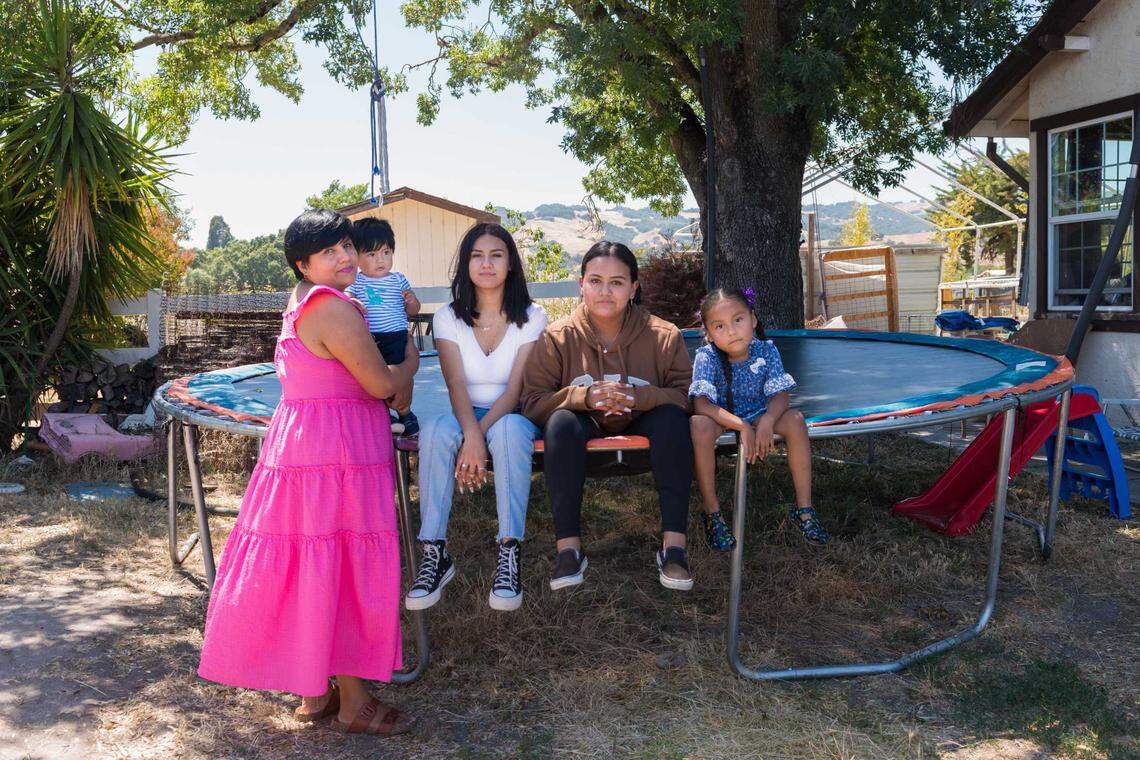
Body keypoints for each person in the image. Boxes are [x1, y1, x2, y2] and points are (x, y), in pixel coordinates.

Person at [198, 209, 418, 736]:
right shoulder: (332, 308)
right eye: (329, 252)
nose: (345, 257)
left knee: (313, 559)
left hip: (303, 443)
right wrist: (408, 362)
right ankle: (355, 703)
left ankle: (315, 688)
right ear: (303, 263)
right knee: (337, 562)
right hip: (335, 452)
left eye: (347, 245)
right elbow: (381, 384)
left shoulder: (300, 299)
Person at [521, 241, 695, 591]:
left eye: (616, 282)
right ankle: (568, 549)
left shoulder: (664, 334)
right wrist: (584, 397)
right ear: (581, 285)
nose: (605, 291)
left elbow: (687, 396)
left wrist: (639, 396)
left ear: (633, 288)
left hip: (644, 427)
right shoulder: (556, 337)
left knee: (673, 420)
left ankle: (674, 547)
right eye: (596, 281)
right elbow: (532, 402)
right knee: (560, 422)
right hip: (584, 429)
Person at [405, 223, 547, 612]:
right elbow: (455, 384)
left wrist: (476, 438)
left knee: (512, 431)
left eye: (496, 255)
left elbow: (516, 391)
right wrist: (470, 431)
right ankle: (435, 551)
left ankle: (509, 550)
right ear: (466, 264)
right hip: (464, 411)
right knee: (434, 430)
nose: (486, 264)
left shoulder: (532, 316)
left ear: (511, 264)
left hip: (509, 413)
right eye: (477, 255)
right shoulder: (449, 318)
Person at [688, 288, 830, 548]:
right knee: (698, 425)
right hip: (723, 417)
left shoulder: (766, 350)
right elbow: (701, 405)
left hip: (761, 412)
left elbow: (780, 395)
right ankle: (712, 514)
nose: (731, 331)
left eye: (738, 320)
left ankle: (805, 511)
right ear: (708, 333)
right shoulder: (706, 357)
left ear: (752, 319)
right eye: (719, 326)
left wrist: (766, 420)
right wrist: (741, 426)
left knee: (796, 420)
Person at [346, 217, 422, 435]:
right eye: (371, 254)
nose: (380, 259)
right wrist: (354, 302)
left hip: (397, 336)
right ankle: (382, 414)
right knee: (375, 378)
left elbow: (413, 310)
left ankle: (406, 414)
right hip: (372, 340)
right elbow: (348, 299)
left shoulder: (399, 279)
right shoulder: (358, 281)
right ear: (357, 259)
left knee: (403, 379)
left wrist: (412, 302)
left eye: (386, 252)